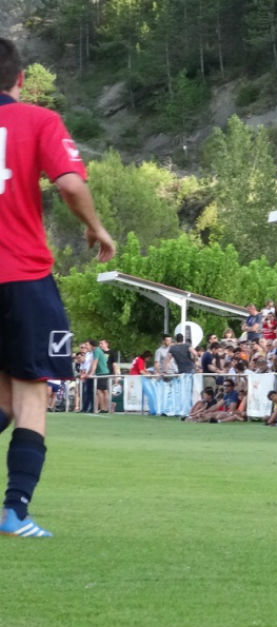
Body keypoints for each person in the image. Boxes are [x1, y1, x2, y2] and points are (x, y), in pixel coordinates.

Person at [0, 38, 116, 538]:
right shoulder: (38, 121)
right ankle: (15, 512)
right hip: (22, 275)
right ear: (20, 78)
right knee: (30, 396)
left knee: (3, 400)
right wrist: (95, 226)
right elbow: (69, 183)